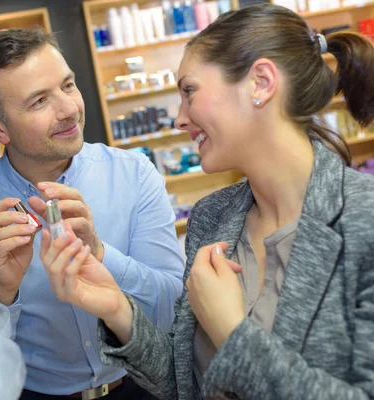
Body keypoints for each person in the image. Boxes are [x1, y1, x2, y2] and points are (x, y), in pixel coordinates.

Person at [41, 4, 374, 399]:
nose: (180, 119)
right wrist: (117, 308)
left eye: (189, 92)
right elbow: (187, 382)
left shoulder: (362, 220)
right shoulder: (213, 217)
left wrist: (232, 332)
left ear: (261, 83)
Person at [0, 29, 185, 399]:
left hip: (141, 386)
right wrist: (2, 291)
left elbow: (175, 308)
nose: (69, 109)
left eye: (68, 85)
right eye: (40, 101)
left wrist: (102, 254)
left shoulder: (134, 174)